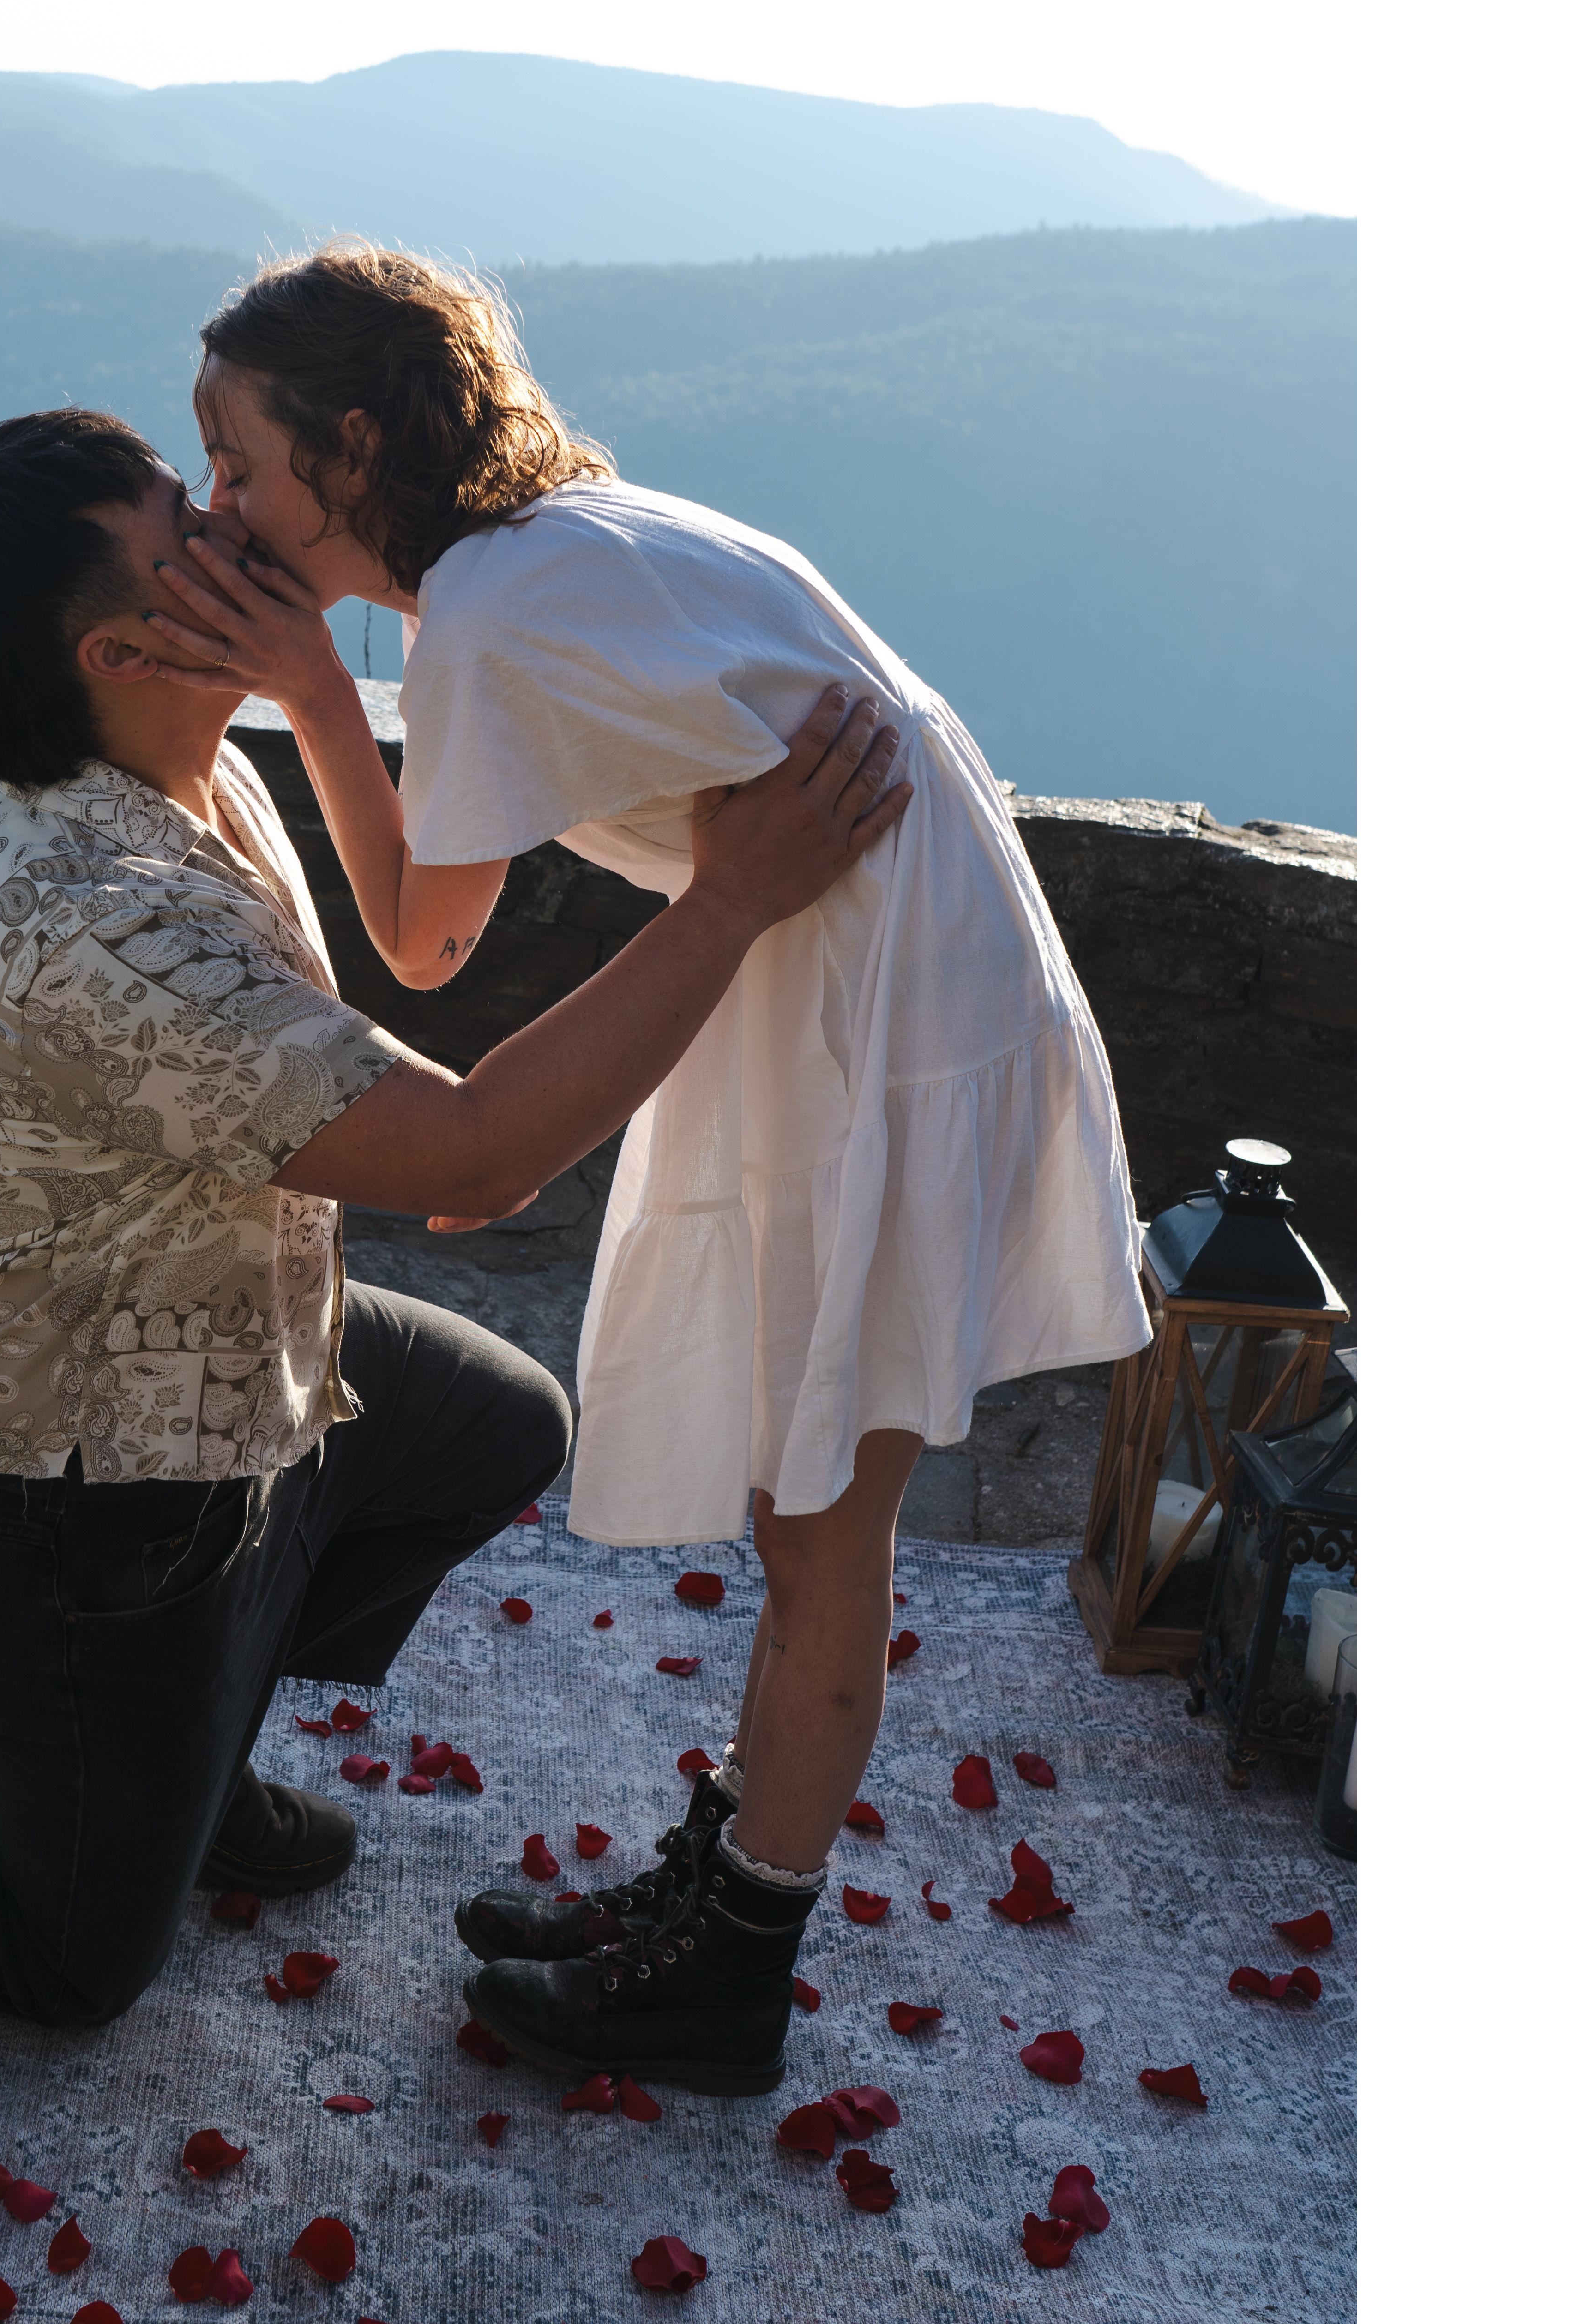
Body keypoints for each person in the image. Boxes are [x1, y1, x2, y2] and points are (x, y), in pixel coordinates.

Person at [0, 405, 910, 2031]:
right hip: (74, 1511)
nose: (239, 531)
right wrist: (733, 898)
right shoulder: (91, 931)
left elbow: (413, 1036)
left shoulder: (180, 764)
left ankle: (183, 1755)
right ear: (118, 650)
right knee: (68, 1961)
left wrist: (327, 691)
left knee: (497, 1425)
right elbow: (474, 1159)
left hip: (234, 1365)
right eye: (190, 535)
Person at [133, 246, 1149, 2094]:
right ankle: (725, 1883)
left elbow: (423, 939)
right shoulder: (551, 546)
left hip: (879, 1009)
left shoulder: (488, 615)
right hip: (865, 965)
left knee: (827, 1522)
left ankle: (731, 1970)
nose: (220, 509)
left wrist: (310, 686)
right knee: (800, 1502)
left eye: (240, 464)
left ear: (350, 449)